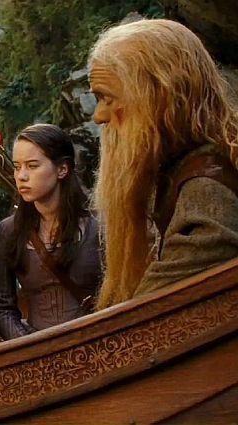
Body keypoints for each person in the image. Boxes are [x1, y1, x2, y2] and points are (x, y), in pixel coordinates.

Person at [88, 18, 238, 310]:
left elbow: (146, 320)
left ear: (160, 96)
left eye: (106, 98)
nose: (99, 116)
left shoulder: (206, 188)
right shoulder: (181, 173)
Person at [0, 124, 102, 340]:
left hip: (95, 342)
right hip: (34, 346)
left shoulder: (98, 226)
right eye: (17, 167)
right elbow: (2, 307)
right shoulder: (9, 230)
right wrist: (26, 343)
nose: (21, 176)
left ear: (62, 169)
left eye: (32, 166)